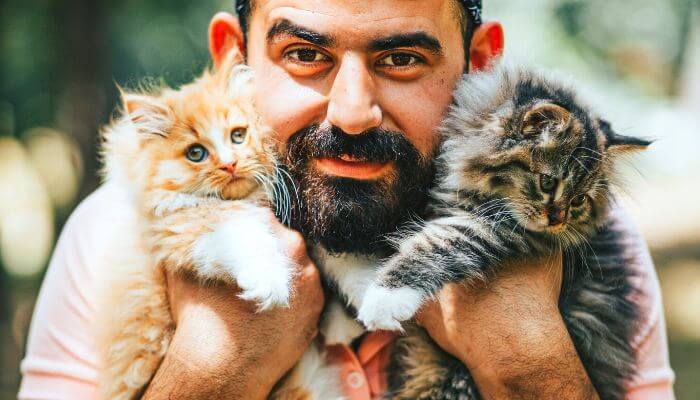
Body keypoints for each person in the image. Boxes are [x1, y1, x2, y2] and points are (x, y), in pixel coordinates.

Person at [18, 1, 675, 399]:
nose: (353, 112)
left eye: (402, 60)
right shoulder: (113, 236)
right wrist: (211, 370)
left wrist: (532, 362)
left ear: (477, 62)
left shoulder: (581, 237)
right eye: (305, 54)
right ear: (233, 55)